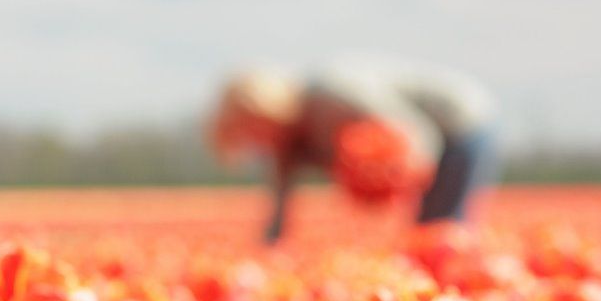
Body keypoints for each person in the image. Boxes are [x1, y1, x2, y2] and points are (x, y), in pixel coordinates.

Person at [209, 60, 497, 242]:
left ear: (266, 109)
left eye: (253, 130)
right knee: (427, 237)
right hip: (433, 138)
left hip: (458, 125)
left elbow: (417, 133)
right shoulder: (285, 142)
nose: (257, 144)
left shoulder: (332, 95)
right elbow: (280, 210)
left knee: (439, 232)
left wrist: (396, 177)